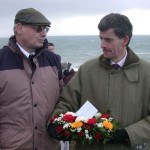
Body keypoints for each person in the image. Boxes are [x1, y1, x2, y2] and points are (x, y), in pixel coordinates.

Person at [48, 13, 150, 150]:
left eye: (108, 40)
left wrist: (128, 134)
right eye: (101, 39)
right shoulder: (86, 70)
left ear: (125, 40)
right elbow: (67, 102)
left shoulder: (147, 72)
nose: (102, 45)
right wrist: (56, 121)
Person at [0, 8, 63, 150]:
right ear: (19, 28)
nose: (44, 33)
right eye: (38, 28)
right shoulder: (1, 60)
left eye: (46, 28)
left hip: (48, 145)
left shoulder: (53, 60)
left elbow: (62, 99)